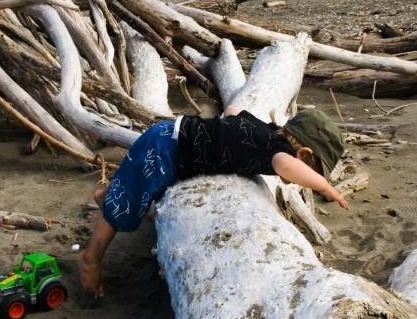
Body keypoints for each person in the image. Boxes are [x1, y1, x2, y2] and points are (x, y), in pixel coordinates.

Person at [77, 105, 349, 299]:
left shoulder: (265, 132)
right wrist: (326, 188)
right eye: (312, 171)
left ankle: (108, 196)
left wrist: (225, 138)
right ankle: (91, 257)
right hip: (167, 151)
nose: (307, 180)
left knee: (131, 187)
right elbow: (286, 166)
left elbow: (232, 110)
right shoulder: (278, 152)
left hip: (167, 133)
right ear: (302, 153)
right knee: (124, 212)